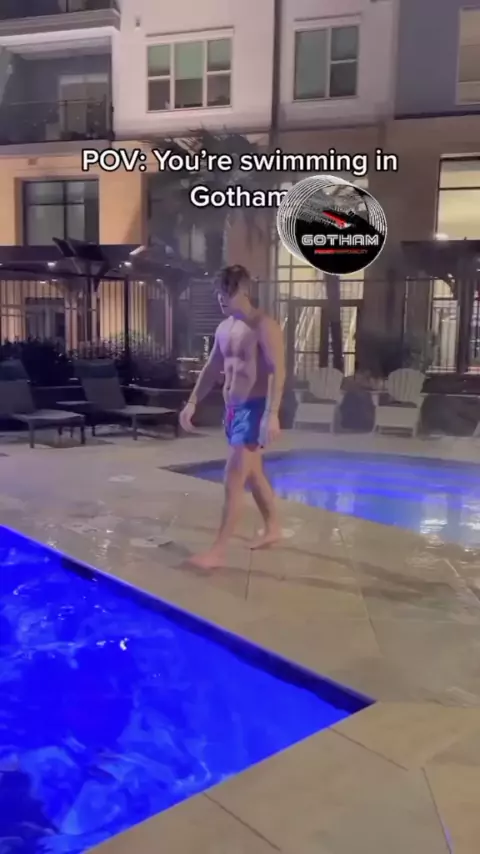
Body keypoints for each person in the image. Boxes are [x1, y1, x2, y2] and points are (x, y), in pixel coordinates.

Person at [179, 264, 285, 568]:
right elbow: (212, 368)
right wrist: (192, 402)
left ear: (245, 291)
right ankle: (273, 528)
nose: (222, 298)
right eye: (219, 292)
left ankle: (218, 551)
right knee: (253, 473)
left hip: (255, 409)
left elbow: (278, 371)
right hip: (233, 410)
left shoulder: (263, 325)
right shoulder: (224, 328)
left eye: (228, 292)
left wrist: (272, 414)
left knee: (234, 477)